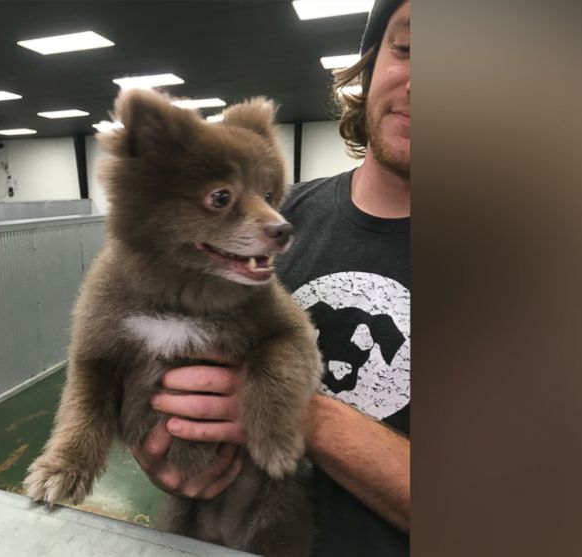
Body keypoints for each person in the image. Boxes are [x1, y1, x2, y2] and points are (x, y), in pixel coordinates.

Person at [131, 1, 411, 554]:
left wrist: (295, 411)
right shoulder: (280, 222)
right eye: (409, 48)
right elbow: (174, 368)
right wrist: (162, 436)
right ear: (373, 60)